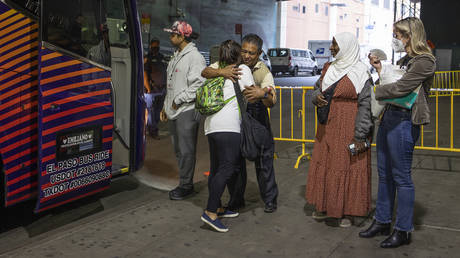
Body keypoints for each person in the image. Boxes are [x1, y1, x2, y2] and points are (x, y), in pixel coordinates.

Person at [359, 17, 436, 248]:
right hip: (389, 116)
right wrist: (380, 69)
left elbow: (403, 87)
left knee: (401, 178)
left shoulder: (425, 61)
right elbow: (394, 81)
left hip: (405, 121)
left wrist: (378, 90)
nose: (396, 39)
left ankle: (403, 230)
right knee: (385, 174)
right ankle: (382, 220)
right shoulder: (406, 59)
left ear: (411, 35)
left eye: (399, 35)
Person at [201, 34, 279, 213]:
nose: (246, 55)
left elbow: (272, 100)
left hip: (256, 117)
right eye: (243, 51)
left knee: (263, 159)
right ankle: (236, 201)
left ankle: (269, 199)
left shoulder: (263, 71)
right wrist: (222, 72)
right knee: (235, 163)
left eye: (251, 53)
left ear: (259, 53)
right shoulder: (229, 65)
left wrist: (263, 94)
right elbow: (206, 72)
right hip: (235, 118)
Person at [305, 32, 373, 228]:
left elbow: (366, 105)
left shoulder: (361, 71)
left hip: (348, 127)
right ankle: (324, 206)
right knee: (325, 163)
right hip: (327, 126)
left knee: (346, 167)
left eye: (335, 45)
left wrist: (360, 134)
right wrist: (316, 96)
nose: (331, 48)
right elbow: (317, 88)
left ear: (347, 46)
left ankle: (346, 212)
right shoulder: (329, 68)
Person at [200, 40, 255, 233]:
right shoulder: (242, 70)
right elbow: (251, 93)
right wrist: (266, 92)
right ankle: (210, 212)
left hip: (211, 126)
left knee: (216, 168)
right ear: (238, 54)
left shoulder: (216, 67)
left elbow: (204, 72)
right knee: (227, 168)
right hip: (229, 126)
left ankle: (218, 207)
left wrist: (221, 73)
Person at [160, 21, 206, 200]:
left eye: (173, 34)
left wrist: (177, 101)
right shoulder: (176, 55)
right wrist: (166, 105)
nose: (170, 36)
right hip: (174, 109)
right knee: (179, 149)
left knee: (186, 150)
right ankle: (184, 181)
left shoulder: (194, 57)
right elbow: (171, 84)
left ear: (182, 36)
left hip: (186, 109)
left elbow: (199, 84)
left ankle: (186, 186)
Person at [144, 39, 167, 139]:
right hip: (151, 91)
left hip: (161, 90)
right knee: (150, 112)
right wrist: (148, 88)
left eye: (157, 46)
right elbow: (144, 74)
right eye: (154, 47)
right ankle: (153, 131)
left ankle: (153, 128)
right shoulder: (147, 58)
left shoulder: (161, 57)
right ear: (150, 47)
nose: (156, 48)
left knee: (157, 112)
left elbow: (165, 72)